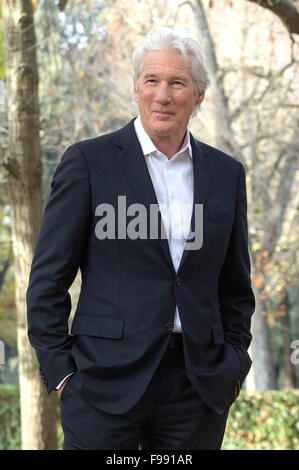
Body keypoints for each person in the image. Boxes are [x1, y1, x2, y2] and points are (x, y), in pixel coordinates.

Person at [26, 27, 255, 450]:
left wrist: (234, 366)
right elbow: (47, 281)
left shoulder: (226, 174)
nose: (162, 95)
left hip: (198, 386)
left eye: (177, 83)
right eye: (151, 80)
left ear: (199, 93)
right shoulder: (88, 163)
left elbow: (236, 288)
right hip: (101, 384)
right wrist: (61, 373)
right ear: (135, 88)